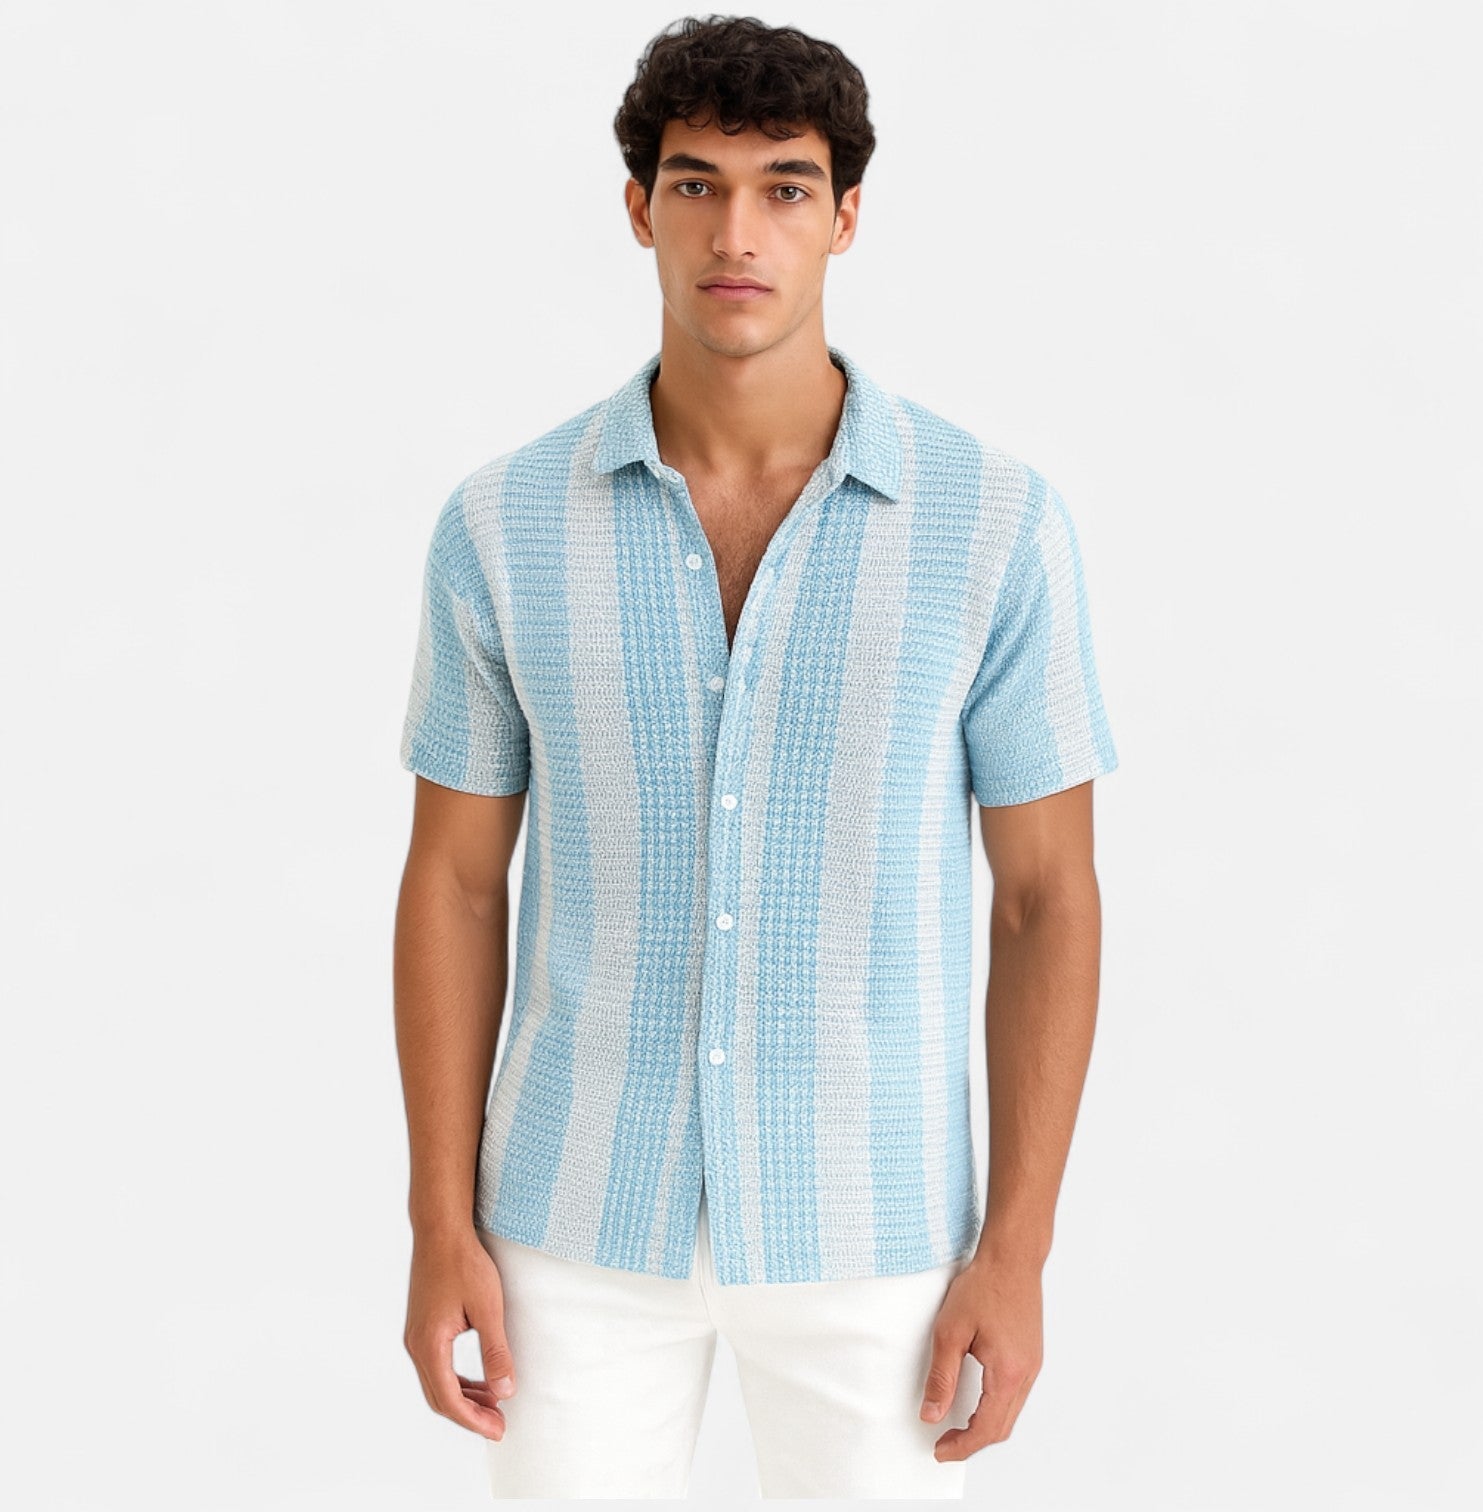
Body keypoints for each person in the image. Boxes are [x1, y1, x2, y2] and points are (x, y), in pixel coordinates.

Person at [393, 13, 1118, 1501]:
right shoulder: (502, 526)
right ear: (638, 207)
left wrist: (1019, 1252)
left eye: (785, 188)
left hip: (881, 1238)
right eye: (696, 184)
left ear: (846, 216)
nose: (738, 233)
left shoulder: (994, 526)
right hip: (569, 1225)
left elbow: (1047, 899)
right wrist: (436, 1223)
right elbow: (455, 882)